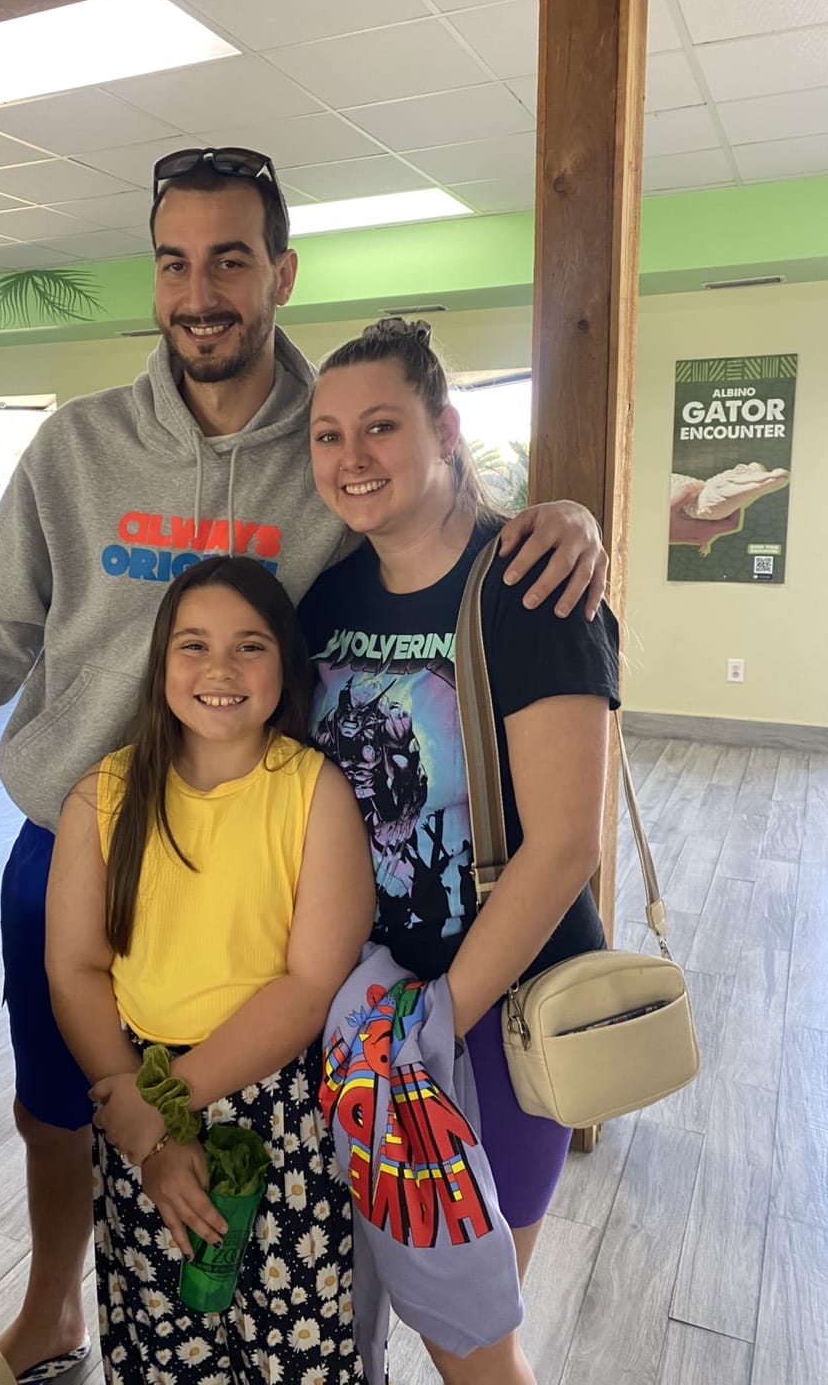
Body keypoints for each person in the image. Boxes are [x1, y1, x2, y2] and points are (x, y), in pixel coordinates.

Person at [0, 150, 609, 1384]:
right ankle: (56, 1313)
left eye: (230, 260)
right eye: (174, 261)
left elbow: (439, 513)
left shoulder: (332, 442)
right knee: (62, 1113)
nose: (200, 291)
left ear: (280, 273)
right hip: (78, 840)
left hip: (261, 858)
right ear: (152, 276)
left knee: (273, 1137)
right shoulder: (76, 447)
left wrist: (570, 517)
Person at [297, 318, 622, 1385]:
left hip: (498, 1018)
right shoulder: (328, 600)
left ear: (444, 428)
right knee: (365, 1314)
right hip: (371, 1015)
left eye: (381, 426)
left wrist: (437, 1023)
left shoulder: (532, 582)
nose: (352, 458)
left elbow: (567, 842)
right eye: (328, 434)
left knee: (472, 1348)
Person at [44, 554, 375, 1383]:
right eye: (192, 645)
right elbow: (76, 966)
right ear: (160, 665)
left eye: (249, 646)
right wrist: (145, 1125)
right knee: (165, 1346)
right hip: (136, 1086)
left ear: (284, 664)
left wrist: (165, 1111)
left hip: (278, 1111)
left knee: (297, 1347)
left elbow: (307, 988)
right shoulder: (101, 794)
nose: (219, 669)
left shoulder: (313, 792)